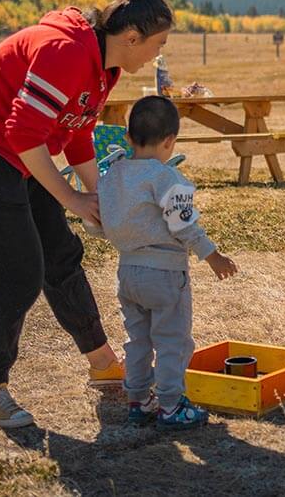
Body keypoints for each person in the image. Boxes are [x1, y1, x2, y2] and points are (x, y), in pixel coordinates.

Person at [0, 0, 173, 428]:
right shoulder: (65, 52)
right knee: (17, 275)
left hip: (22, 152)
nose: (159, 53)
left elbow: (77, 132)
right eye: (157, 44)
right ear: (132, 35)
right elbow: (21, 132)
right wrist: (73, 200)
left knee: (61, 254)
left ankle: (104, 365)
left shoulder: (108, 66)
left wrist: (103, 197)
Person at [83, 95, 238, 430]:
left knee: (137, 339)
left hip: (127, 272)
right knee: (172, 341)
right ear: (170, 141)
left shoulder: (111, 176)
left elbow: (95, 223)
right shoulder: (166, 178)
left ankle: (138, 400)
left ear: (127, 137)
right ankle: (170, 405)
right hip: (165, 275)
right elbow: (183, 225)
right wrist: (213, 256)